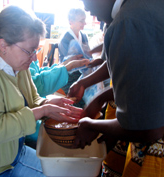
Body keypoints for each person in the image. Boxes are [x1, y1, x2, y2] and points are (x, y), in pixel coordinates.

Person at [0, 6, 84, 177]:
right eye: (30, 51)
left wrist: (47, 103)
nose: (34, 57)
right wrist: (43, 110)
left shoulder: (17, 65)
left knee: (68, 171)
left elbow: (33, 99)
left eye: (36, 50)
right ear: (3, 45)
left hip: (12, 153)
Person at [69, 0, 164, 176]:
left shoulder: (128, 21)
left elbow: (146, 128)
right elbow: (136, 70)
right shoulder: (139, 10)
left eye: (87, 4)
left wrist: (92, 125)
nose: (87, 10)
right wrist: (95, 94)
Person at [58, 8, 103, 108]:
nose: (84, 23)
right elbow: (66, 63)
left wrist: (89, 60)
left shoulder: (84, 36)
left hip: (82, 71)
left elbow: (88, 55)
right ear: (71, 21)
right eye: (81, 20)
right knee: (81, 98)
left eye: (84, 20)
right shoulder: (65, 39)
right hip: (69, 75)